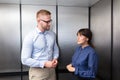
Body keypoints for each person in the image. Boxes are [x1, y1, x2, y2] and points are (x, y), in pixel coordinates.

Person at [21, 9, 59, 80]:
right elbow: (24, 59)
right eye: (47, 21)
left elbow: (55, 49)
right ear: (38, 21)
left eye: (50, 21)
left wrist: (55, 58)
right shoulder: (30, 36)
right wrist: (44, 64)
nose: (49, 24)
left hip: (52, 71)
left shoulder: (52, 34)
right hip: (37, 73)